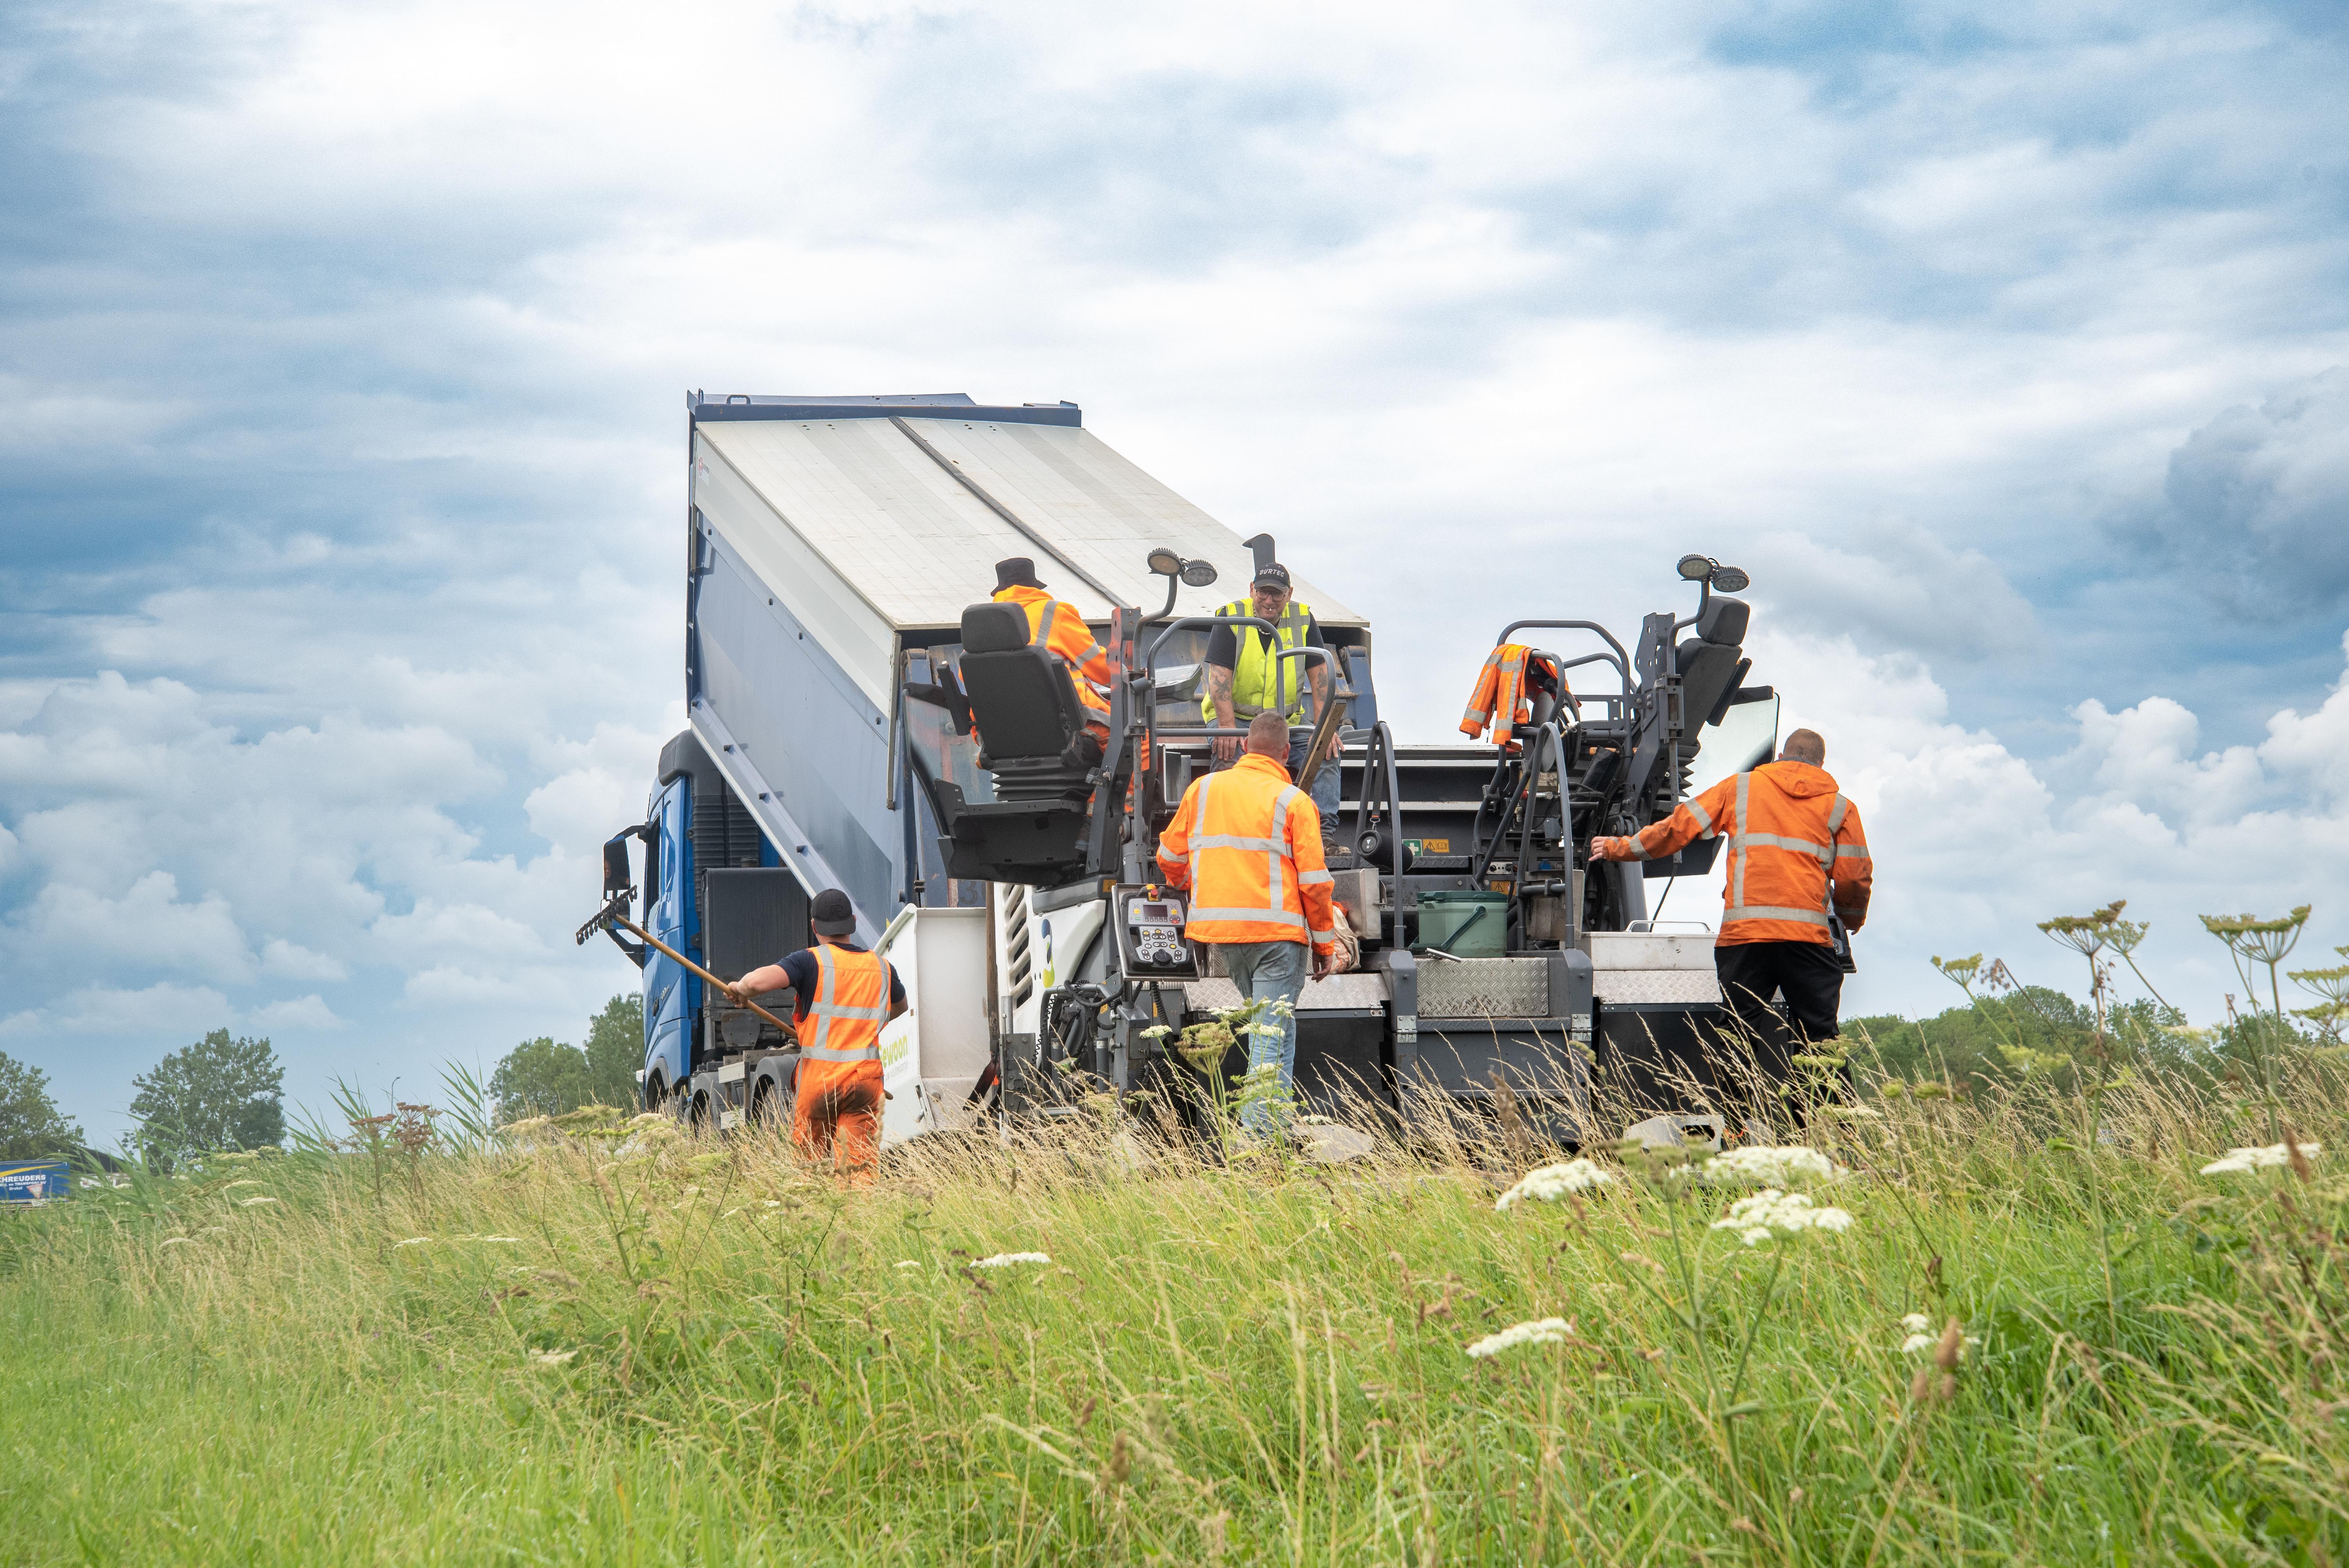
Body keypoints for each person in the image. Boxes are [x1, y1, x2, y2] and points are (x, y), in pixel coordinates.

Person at [1587, 728, 1873, 1089]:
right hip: (1807, 943)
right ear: (1820, 765)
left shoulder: (1740, 788)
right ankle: (1824, 1132)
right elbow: (1855, 876)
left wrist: (1620, 847)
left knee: (1736, 1034)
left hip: (1746, 940)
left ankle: (1736, 1129)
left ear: (1780, 758)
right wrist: (1850, 918)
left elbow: (1677, 828)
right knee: (1819, 1039)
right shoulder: (1841, 807)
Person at [1156, 712, 1346, 1135]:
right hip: (1278, 938)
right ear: (1285, 754)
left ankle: (1274, 1126)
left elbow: (1168, 858)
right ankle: (1257, 1136)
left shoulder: (1202, 790)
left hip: (1225, 936)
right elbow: (1316, 884)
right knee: (1269, 1034)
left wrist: (1192, 885)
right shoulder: (1295, 801)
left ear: (1244, 745)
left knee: (1277, 1028)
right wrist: (1325, 945)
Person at [724, 888, 908, 1184]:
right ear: (854, 921)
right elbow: (900, 1007)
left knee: (811, 1172)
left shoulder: (809, 962)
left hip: (821, 1084)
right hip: (865, 1083)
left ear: (814, 927)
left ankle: (815, 1223)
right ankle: (858, 1224)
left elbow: (758, 982)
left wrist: (740, 989)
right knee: (858, 1174)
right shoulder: (882, 968)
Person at [1200, 560, 1342, 832]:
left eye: (1276, 594)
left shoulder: (1302, 618)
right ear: (1252, 589)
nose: (1269, 600)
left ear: (1288, 595)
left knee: (1327, 753)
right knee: (1227, 754)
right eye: (1263, 592)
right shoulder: (1230, 616)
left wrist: (1325, 727)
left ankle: (1323, 835)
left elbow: (1321, 679)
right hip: (1237, 721)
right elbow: (1219, 679)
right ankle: (1224, 830)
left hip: (1286, 724)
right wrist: (1227, 727)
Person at [990, 557, 1114, 735]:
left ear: (999, 591)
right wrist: (1131, 675)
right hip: (1068, 723)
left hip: (998, 731)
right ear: (1034, 587)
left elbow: (970, 676)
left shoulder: (984, 623)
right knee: (1140, 739)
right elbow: (1099, 666)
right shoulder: (1055, 613)